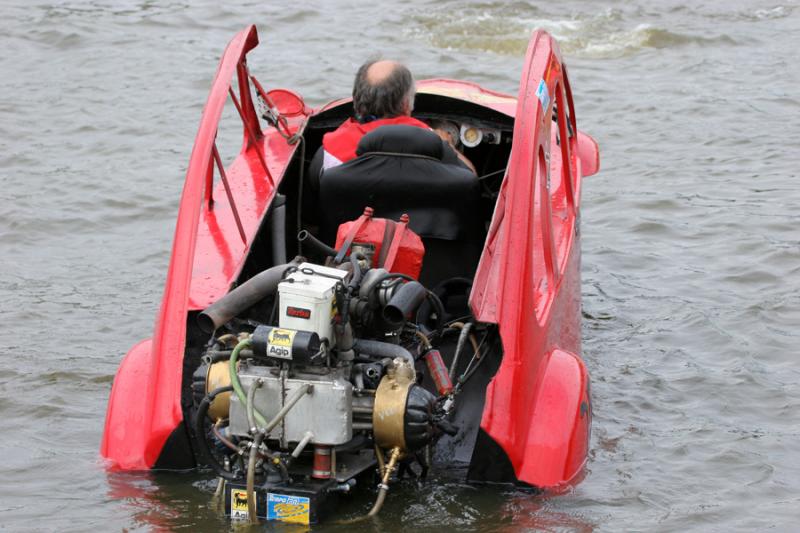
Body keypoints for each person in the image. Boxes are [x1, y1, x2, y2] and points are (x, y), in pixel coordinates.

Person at [320, 59, 476, 173]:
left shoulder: (333, 146)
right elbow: (470, 177)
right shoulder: (430, 140)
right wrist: (448, 146)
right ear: (406, 104)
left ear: (357, 98)